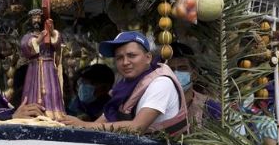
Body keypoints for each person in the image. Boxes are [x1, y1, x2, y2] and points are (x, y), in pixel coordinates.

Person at [60, 31, 189, 135]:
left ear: (148, 58)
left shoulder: (161, 83)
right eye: (119, 58)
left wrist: (83, 125)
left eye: (131, 55)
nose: (125, 62)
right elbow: (101, 122)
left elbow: (136, 128)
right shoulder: (124, 88)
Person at [166, 42, 210, 127]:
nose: (176, 74)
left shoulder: (208, 106)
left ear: (194, 74)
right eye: (171, 69)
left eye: (182, 68)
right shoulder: (155, 106)